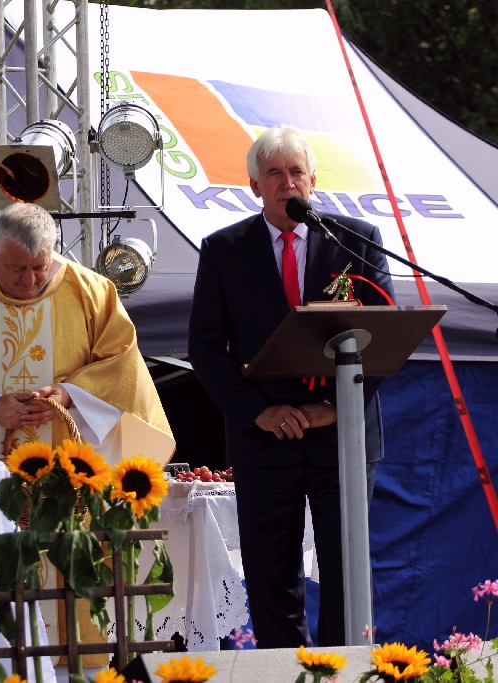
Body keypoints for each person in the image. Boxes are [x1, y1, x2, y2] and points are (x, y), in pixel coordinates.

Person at [187, 124, 395, 647]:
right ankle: (286, 672)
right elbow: (207, 348)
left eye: (296, 172)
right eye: (274, 174)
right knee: (270, 572)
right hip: (265, 436)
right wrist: (259, 412)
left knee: (347, 570)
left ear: (313, 181)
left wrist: (334, 404)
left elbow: (387, 334)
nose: (287, 183)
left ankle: (346, 673)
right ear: (255, 186)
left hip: (341, 435)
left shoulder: (357, 240)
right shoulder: (224, 249)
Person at [0, 201, 174, 464]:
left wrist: (70, 393)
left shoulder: (93, 292)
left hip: (72, 463)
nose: (29, 281)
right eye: (17, 268)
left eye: (39, 267)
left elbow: (121, 363)